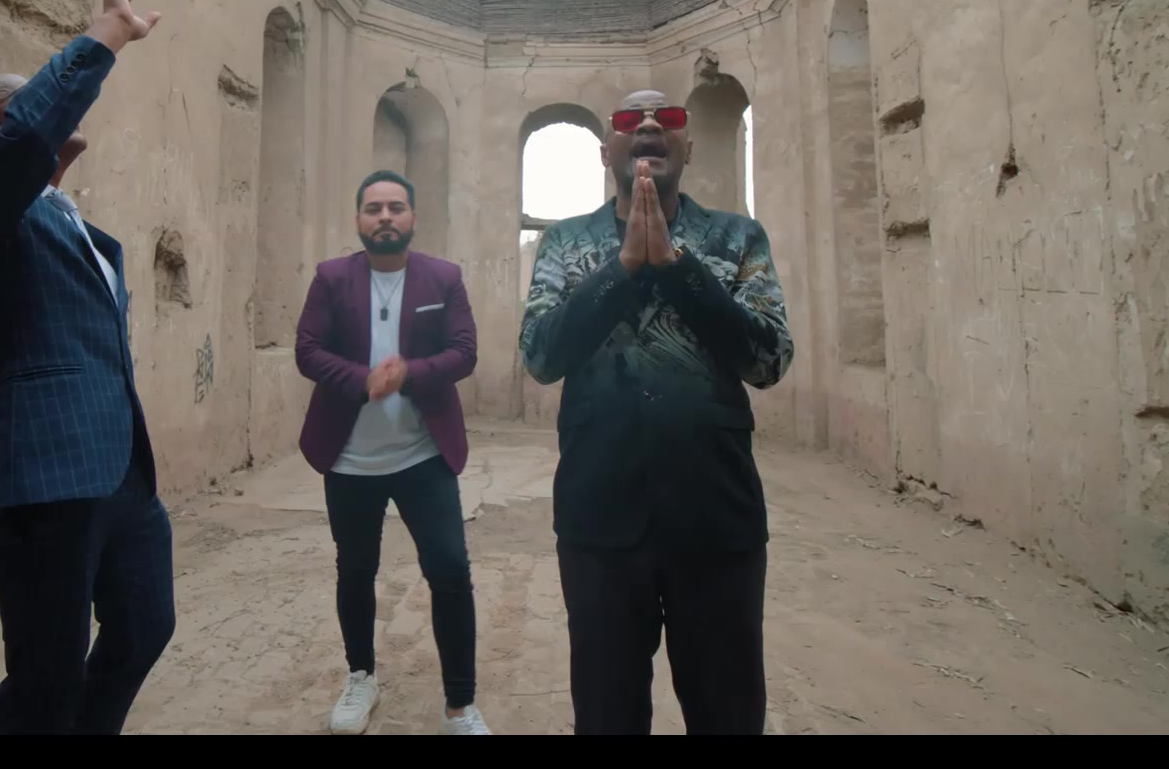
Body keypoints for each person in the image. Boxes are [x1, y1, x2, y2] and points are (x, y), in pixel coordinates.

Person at [0, 0, 172, 735]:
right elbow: (30, 137)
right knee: (46, 676)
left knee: (145, 626)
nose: (51, 106)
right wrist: (108, 33)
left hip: (121, 475)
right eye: (28, 97)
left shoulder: (72, 223)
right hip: (42, 479)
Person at [519, 90, 795, 736]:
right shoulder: (567, 242)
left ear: (688, 147)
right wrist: (621, 270)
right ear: (607, 151)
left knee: (727, 712)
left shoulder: (737, 238)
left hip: (716, 517)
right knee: (607, 712)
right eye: (629, 120)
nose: (647, 125)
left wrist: (676, 268)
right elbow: (541, 355)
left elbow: (769, 360)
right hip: (599, 517)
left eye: (667, 119)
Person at [294, 170, 492, 735]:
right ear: (359, 219)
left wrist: (409, 374)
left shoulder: (443, 278)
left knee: (450, 570)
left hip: (423, 455)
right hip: (350, 460)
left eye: (395, 207)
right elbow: (308, 350)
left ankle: (460, 705)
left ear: (412, 218)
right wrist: (362, 380)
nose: (385, 217)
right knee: (356, 571)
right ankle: (361, 677)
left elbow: (464, 352)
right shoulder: (331, 278)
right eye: (374, 208)